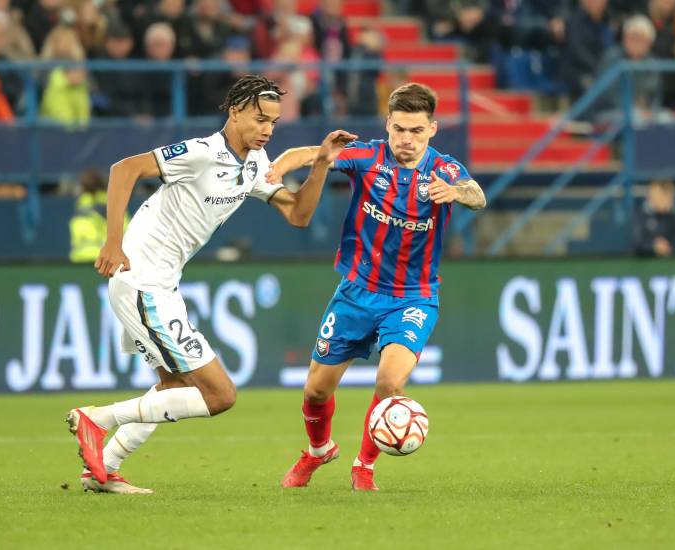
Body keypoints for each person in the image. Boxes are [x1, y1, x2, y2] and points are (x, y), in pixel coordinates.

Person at [66, 75, 356, 494]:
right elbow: (124, 169)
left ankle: (103, 468)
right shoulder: (202, 153)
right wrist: (113, 242)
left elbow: (298, 215)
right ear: (234, 112)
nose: (267, 130)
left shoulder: (255, 163)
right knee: (219, 395)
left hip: (162, 285)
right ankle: (96, 419)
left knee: (172, 387)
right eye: (260, 119)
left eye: (273, 123)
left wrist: (322, 164)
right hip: (141, 281)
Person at [267, 83, 487, 491]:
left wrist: (455, 192)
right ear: (388, 124)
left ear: (433, 130)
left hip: (413, 297)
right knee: (316, 390)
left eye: (417, 131)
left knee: (390, 382)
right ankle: (317, 451)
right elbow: (311, 154)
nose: (406, 139)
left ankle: (364, 466)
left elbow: (477, 196)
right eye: (400, 128)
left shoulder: (445, 170)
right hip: (356, 291)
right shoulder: (368, 156)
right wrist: (277, 168)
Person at [633, 180, 675, 257]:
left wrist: (666, 246)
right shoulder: (639, 214)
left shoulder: (673, 216)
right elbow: (636, 243)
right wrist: (653, 246)